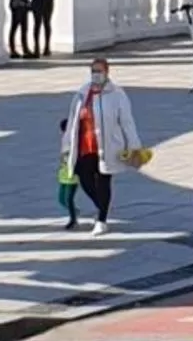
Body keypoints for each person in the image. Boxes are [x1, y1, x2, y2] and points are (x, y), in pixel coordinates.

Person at [60, 57, 143, 235]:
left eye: (99, 71)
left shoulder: (117, 94)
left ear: (107, 72)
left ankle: (102, 219)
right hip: (85, 144)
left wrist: (134, 146)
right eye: (93, 71)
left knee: (104, 180)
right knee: (85, 178)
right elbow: (72, 122)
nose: (96, 74)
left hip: (108, 144)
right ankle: (102, 207)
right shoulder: (83, 93)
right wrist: (66, 147)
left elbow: (127, 122)